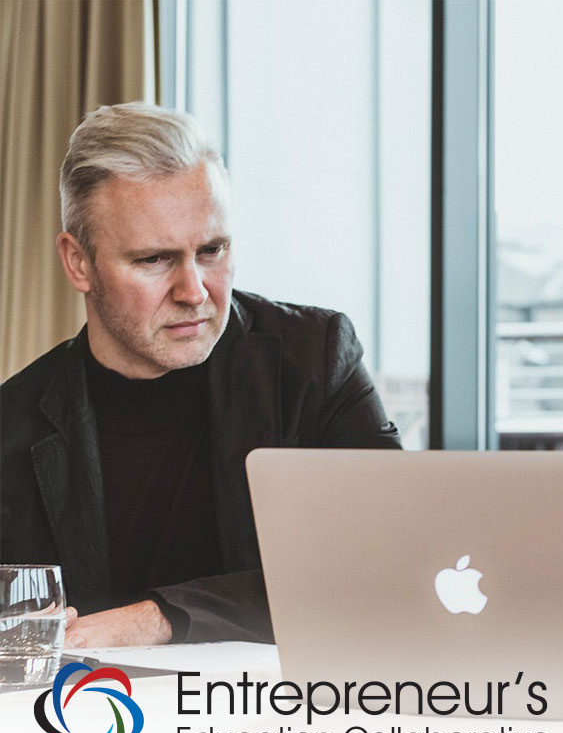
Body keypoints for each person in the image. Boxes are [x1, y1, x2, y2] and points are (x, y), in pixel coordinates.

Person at [1, 103, 402, 648]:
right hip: (88, 721)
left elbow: (391, 567)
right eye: (154, 260)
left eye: (212, 251)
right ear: (78, 263)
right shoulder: (12, 424)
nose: (194, 291)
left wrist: (159, 619)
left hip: (272, 720)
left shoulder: (315, 362)